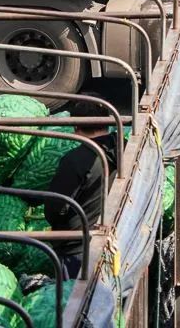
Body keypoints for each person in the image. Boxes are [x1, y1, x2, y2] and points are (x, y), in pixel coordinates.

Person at [45, 100, 118, 278]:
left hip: (78, 248)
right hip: (114, 237)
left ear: (76, 126)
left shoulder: (75, 160)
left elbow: (56, 209)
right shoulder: (122, 148)